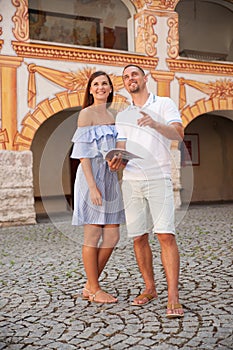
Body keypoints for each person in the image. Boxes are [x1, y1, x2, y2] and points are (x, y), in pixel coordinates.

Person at [109, 64, 184, 318]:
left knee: (165, 236)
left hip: (158, 176)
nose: (130, 79)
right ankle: (150, 288)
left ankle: (173, 295)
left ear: (145, 78)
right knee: (139, 237)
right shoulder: (123, 115)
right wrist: (116, 160)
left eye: (134, 74)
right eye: (126, 77)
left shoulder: (164, 104)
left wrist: (155, 123)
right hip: (130, 180)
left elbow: (179, 134)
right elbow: (121, 145)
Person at [71, 71, 125, 303]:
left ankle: (89, 284)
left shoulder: (115, 116)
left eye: (105, 83)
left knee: (112, 236)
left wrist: (117, 165)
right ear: (90, 90)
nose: (101, 87)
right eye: (96, 84)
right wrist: (92, 187)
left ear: (110, 88)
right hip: (90, 178)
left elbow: (116, 152)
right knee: (93, 235)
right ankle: (94, 288)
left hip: (110, 179)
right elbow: (83, 155)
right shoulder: (86, 114)